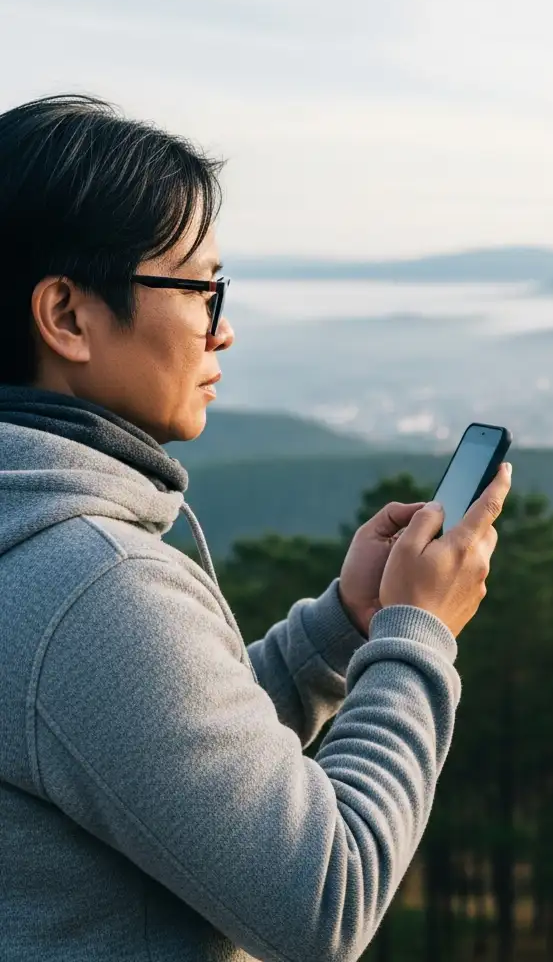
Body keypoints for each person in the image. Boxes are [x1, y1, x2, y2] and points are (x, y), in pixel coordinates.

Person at [0, 94, 511, 962]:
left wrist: (336, 631)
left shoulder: (35, 556)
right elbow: (325, 901)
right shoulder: (90, 585)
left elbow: (139, 760)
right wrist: (414, 636)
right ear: (68, 317)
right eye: (201, 286)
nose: (223, 328)